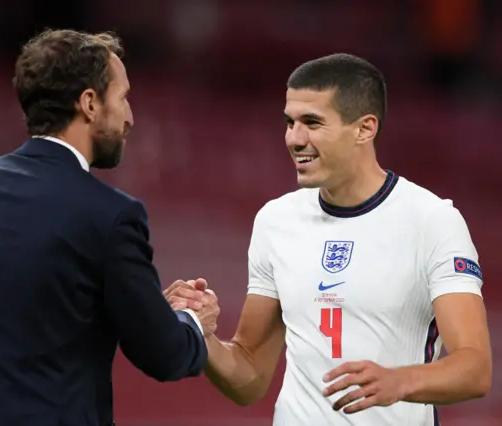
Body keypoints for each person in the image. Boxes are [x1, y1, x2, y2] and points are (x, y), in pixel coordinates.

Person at [0, 29, 216, 426]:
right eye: (123, 98)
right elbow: (164, 354)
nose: (130, 117)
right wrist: (192, 321)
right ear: (89, 103)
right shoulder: (111, 215)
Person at [165, 53, 492, 425]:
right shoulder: (276, 220)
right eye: (289, 123)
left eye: (312, 123)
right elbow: (250, 376)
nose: (294, 139)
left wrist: (399, 381)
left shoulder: (432, 221)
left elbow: (475, 369)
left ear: (365, 129)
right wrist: (201, 334)